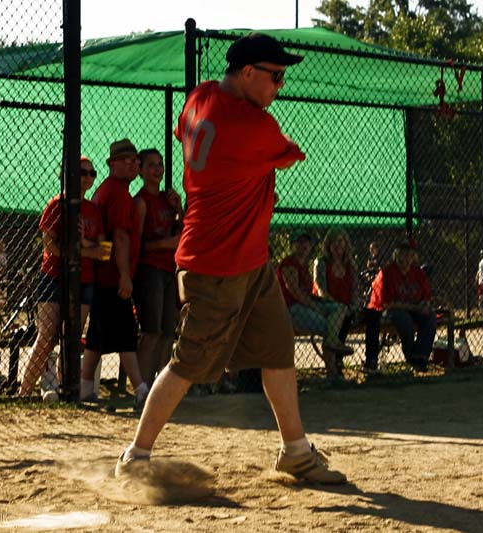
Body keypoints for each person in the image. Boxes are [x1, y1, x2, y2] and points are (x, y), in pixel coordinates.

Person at [115, 33, 346, 484]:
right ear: (247, 74)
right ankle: (136, 456)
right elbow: (289, 156)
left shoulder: (200, 97)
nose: (280, 86)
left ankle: (295, 451)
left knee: (278, 350)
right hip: (216, 265)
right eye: (275, 76)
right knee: (188, 364)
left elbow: (187, 131)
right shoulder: (253, 125)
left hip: (251, 260)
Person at [18, 156, 108, 398]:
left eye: (92, 173)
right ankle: (24, 392)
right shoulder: (56, 205)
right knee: (47, 336)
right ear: (69, 174)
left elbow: (105, 251)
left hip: (84, 279)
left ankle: (65, 390)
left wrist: (80, 244)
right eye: (83, 172)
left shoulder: (93, 210)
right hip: (53, 276)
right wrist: (85, 250)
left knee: (71, 336)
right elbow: (50, 245)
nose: (88, 177)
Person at [81, 139, 149, 406]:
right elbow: (119, 237)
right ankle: (142, 390)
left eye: (135, 160)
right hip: (112, 277)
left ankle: (85, 388)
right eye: (126, 160)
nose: (133, 164)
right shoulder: (118, 193)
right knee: (126, 334)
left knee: (97, 337)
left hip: (103, 276)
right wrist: (124, 275)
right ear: (112, 164)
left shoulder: (108, 190)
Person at [133, 148, 182, 387]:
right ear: (140, 170)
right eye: (151, 165)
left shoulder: (167, 199)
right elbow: (137, 246)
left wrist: (180, 208)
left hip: (169, 270)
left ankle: (160, 387)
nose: (157, 169)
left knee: (166, 333)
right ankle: (142, 387)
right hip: (150, 270)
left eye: (159, 164)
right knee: (151, 332)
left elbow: (184, 231)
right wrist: (164, 243)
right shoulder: (141, 202)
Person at [277, 229, 353, 378]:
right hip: (290, 309)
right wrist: (315, 307)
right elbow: (295, 292)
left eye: (306, 242)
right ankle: (333, 373)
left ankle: (332, 343)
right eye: (299, 242)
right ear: (292, 245)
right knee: (328, 327)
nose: (303, 246)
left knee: (340, 308)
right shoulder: (289, 263)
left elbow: (308, 293)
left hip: (306, 305)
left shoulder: (304, 265)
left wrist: (321, 302)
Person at [364, 242, 437, 373]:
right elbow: (388, 304)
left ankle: (420, 356)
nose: (405, 260)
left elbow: (426, 296)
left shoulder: (418, 272)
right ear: (395, 257)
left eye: (408, 256)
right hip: (386, 310)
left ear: (413, 257)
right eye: (401, 256)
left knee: (430, 316)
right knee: (404, 319)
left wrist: (425, 304)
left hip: (412, 308)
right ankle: (411, 356)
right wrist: (415, 307)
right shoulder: (387, 273)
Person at [312, 228, 360, 376]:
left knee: (348, 314)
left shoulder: (350, 265)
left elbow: (355, 291)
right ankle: (336, 363)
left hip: (347, 307)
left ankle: (337, 362)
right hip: (326, 305)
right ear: (328, 244)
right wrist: (337, 305)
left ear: (346, 244)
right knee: (339, 314)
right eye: (333, 241)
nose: (337, 245)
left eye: (340, 241)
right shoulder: (321, 263)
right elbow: (321, 289)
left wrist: (353, 305)